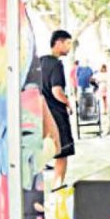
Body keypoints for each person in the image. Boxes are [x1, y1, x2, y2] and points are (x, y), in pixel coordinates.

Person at [40, 30, 74, 185]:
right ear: (58, 42)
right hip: (56, 114)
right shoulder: (56, 64)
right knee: (62, 153)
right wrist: (68, 103)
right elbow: (57, 91)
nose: (69, 47)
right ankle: (57, 187)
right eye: (68, 43)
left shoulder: (38, 62)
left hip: (39, 113)